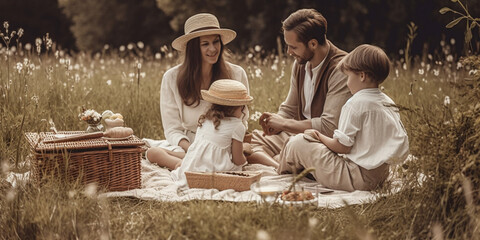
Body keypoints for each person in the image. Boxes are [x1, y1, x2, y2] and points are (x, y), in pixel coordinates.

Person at [277, 44, 410, 191]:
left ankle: (279, 170)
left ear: (362, 75)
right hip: (380, 176)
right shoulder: (387, 102)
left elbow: (342, 147)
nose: (347, 83)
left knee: (298, 143)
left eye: (348, 77)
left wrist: (318, 136)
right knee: (304, 144)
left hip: (356, 178)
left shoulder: (355, 104)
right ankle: (286, 164)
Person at [246, 9, 352, 168]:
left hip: (324, 142)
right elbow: (289, 109)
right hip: (298, 134)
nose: (288, 52)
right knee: (246, 146)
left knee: (293, 148)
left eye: (293, 47)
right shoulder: (301, 64)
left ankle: (280, 163)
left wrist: (284, 124)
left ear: (313, 44)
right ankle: (279, 164)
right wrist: (273, 122)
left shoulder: (340, 69)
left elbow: (328, 127)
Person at [146, 13, 249, 168]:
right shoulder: (171, 78)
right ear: (194, 48)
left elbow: (243, 118)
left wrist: (227, 145)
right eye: (205, 44)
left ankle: (186, 166)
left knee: (251, 152)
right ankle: (184, 165)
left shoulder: (236, 74)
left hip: (223, 144)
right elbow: (172, 129)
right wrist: (193, 150)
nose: (213, 49)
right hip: (187, 145)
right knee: (154, 152)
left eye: (216, 42)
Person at [163, 80, 251, 187]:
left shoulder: (206, 119)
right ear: (239, 107)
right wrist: (245, 158)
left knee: (179, 161)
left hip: (194, 165)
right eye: (243, 107)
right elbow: (238, 160)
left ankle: (171, 159)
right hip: (217, 170)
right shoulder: (237, 126)